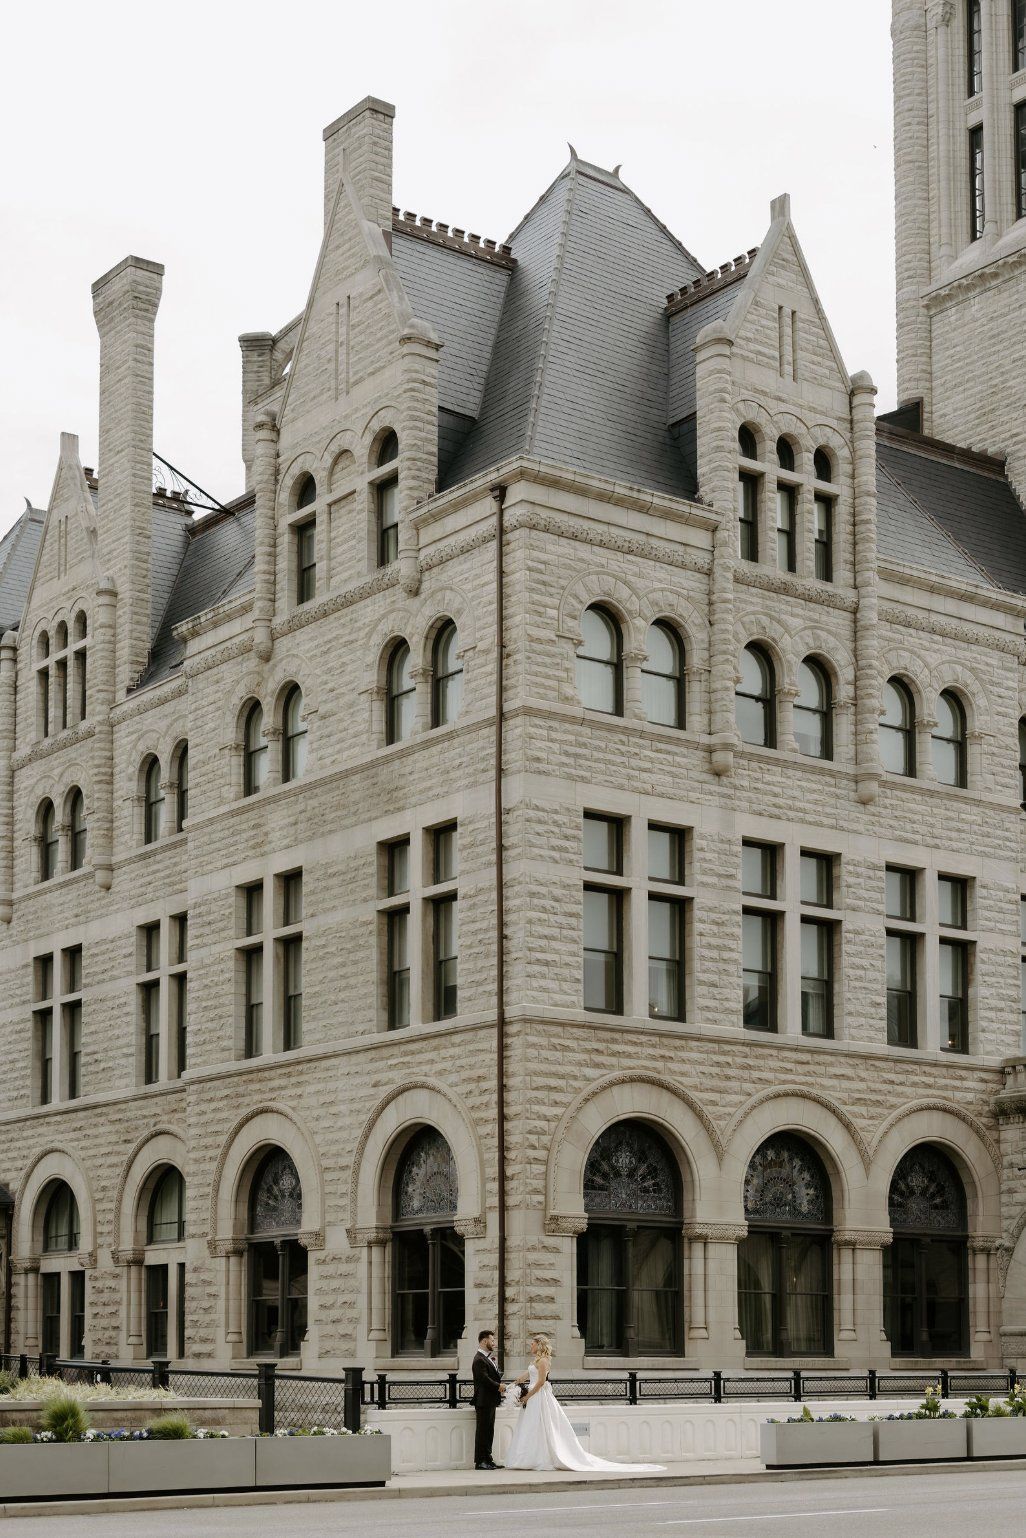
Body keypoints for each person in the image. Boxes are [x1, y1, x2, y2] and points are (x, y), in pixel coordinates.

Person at [504, 1333, 664, 1474]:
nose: (530, 1345)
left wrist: (527, 1397)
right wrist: (513, 1386)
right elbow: (525, 1376)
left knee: (541, 1425)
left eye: (532, 1343)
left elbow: (540, 1382)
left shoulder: (544, 1361)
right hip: (533, 1397)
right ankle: (526, 1457)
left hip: (538, 1397)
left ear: (539, 1345)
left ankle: (540, 1457)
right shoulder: (535, 1361)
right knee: (531, 1426)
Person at [471, 1328, 504, 1470]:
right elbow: (484, 1379)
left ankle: (488, 1459)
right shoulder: (479, 1359)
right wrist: (499, 1386)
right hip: (483, 1401)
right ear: (484, 1341)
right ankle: (480, 1462)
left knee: (489, 1431)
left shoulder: (486, 1358)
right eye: (492, 1340)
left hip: (490, 1400)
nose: (494, 1342)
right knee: (482, 1432)